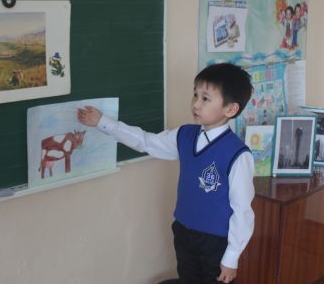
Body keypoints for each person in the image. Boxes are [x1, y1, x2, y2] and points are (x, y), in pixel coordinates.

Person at [77, 63, 255, 284]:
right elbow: (146, 141)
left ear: (230, 109)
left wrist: (232, 257)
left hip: (216, 241)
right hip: (184, 232)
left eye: (205, 99)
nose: (196, 104)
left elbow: (242, 211)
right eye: (195, 95)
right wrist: (103, 123)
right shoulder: (184, 135)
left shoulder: (237, 154)